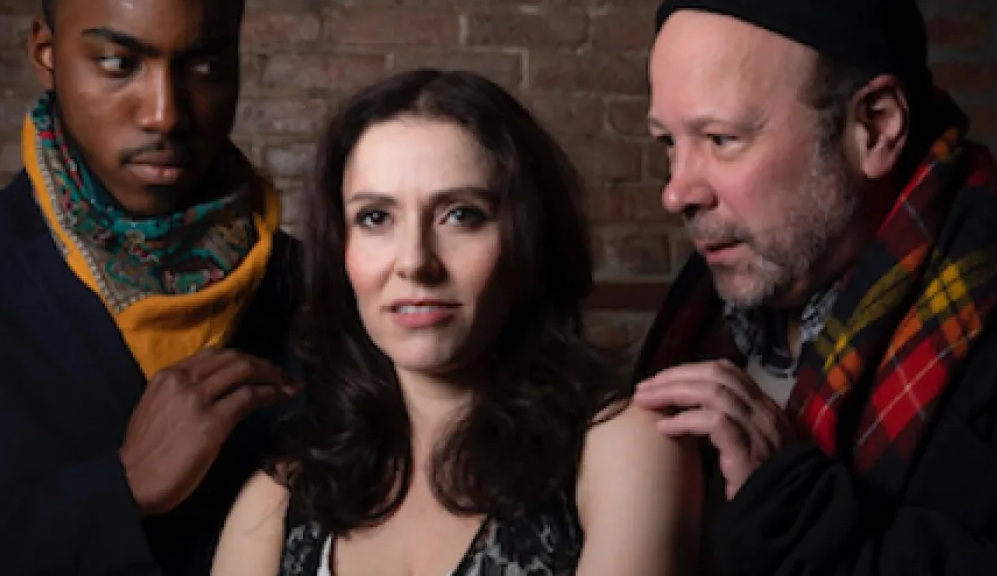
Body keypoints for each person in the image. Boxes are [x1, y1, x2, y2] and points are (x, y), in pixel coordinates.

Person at [631, 0, 997, 574]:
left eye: (721, 139)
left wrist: (793, 508)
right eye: (669, 142)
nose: (677, 192)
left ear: (874, 128)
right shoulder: (703, 304)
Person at [0, 0, 303, 574]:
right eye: (118, 63)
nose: (164, 113)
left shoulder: (316, 292)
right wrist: (119, 491)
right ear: (46, 54)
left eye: (205, 65)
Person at [211, 69, 703, 575]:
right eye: (376, 218)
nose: (415, 262)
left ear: (528, 238)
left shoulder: (622, 450)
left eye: (461, 215)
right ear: (342, 250)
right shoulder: (275, 504)